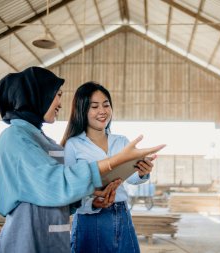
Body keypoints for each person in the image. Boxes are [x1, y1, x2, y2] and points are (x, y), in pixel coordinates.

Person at [0, 67, 165, 253]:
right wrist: (111, 163)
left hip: (99, 218)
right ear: (36, 95)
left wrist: (138, 174)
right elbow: (57, 183)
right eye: (56, 95)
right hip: (29, 235)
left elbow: (59, 193)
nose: (60, 103)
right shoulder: (17, 138)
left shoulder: (38, 138)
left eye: (106, 105)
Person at [61, 81, 158, 253]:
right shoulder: (73, 145)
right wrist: (94, 203)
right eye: (94, 106)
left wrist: (143, 172)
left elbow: (131, 178)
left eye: (106, 105)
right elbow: (70, 190)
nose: (102, 111)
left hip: (122, 214)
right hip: (90, 219)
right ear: (82, 110)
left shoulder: (121, 141)